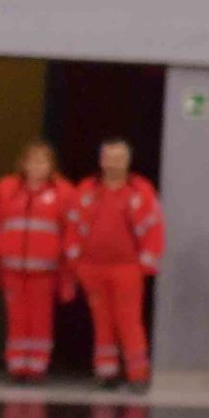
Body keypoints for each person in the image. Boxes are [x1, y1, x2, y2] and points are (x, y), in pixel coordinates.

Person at [66, 138, 164, 392]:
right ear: (101, 161)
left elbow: (154, 228)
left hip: (127, 268)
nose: (114, 163)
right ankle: (106, 372)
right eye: (109, 158)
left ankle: (138, 375)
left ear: (128, 161)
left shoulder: (140, 191)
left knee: (129, 321)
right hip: (92, 267)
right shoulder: (86, 190)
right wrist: (76, 263)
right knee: (102, 321)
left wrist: (146, 263)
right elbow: (73, 226)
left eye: (119, 158)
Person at [0, 140, 76, 383]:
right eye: (32, 161)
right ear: (23, 163)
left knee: (41, 318)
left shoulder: (64, 192)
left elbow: (73, 228)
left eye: (42, 161)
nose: (37, 166)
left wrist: (65, 257)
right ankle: (16, 366)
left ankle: (37, 367)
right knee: (16, 318)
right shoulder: (6, 189)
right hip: (12, 267)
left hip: (45, 269)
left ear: (51, 166)